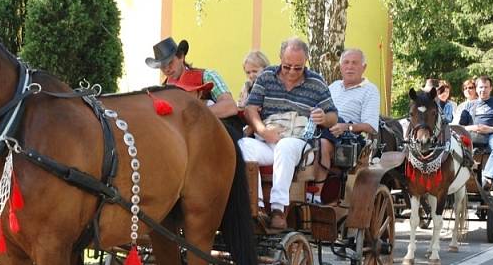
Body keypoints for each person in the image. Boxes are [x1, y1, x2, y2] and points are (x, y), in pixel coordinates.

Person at [239, 37, 338, 230]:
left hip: (299, 145)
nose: (292, 72)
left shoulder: (316, 82)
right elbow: (250, 109)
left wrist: (323, 119)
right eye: (287, 66)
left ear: (306, 62)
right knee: (243, 146)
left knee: (284, 147)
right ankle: (257, 207)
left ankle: (278, 209)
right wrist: (262, 130)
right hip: (268, 139)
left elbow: (333, 115)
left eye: (298, 68)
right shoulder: (266, 76)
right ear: (279, 59)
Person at [312, 48, 381, 203]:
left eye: (354, 63)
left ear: (363, 67)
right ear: (341, 67)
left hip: (350, 137)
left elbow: (370, 127)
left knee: (323, 141)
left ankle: (315, 196)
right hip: (326, 127)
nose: (350, 67)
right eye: (346, 63)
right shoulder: (333, 87)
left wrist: (346, 127)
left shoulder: (370, 90)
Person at [145, 37, 238, 120]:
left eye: (170, 62)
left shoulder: (207, 76)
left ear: (181, 56)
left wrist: (194, 115)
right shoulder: (164, 89)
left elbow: (230, 106)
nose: (167, 69)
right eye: (162, 66)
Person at [457, 75, 493, 190]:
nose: (483, 90)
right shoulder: (468, 105)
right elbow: (460, 127)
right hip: (471, 137)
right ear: (476, 89)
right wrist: (473, 127)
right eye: (480, 87)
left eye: (486, 87)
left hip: (491, 136)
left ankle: (487, 178)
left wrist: (490, 129)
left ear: (491, 88)